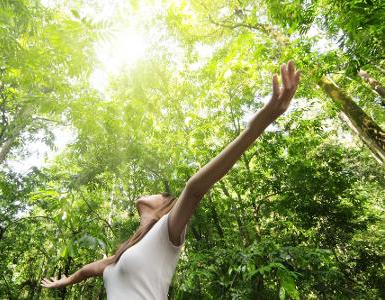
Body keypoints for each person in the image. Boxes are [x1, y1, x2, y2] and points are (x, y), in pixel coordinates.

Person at [40, 61, 300, 299]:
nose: (148, 193)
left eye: (157, 193)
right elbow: (87, 270)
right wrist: (63, 282)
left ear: (164, 204)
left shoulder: (168, 229)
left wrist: (255, 126)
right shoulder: (122, 254)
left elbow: (194, 189)